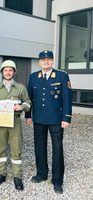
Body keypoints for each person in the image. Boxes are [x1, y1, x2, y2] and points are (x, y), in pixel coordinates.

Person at [25, 50, 72, 194]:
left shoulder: (62, 76)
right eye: (43, 60)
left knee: (57, 149)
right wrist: (28, 115)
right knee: (39, 147)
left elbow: (67, 98)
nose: (46, 61)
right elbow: (29, 98)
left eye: (49, 59)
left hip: (56, 120)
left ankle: (57, 181)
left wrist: (66, 117)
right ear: (39, 62)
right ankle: (42, 174)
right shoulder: (34, 77)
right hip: (38, 119)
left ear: (52, 61)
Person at [0, 60, 31, 191]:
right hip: (0, 124)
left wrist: (22, 106)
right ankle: (1, 174)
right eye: (5, 70)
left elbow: (28, 103)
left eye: (10, 70)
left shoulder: (21, 88)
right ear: (2, 72)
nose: (8, 72)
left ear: (14, 72)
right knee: (0, 148)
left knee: (16, 148)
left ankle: (17, 176)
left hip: (15, 123)